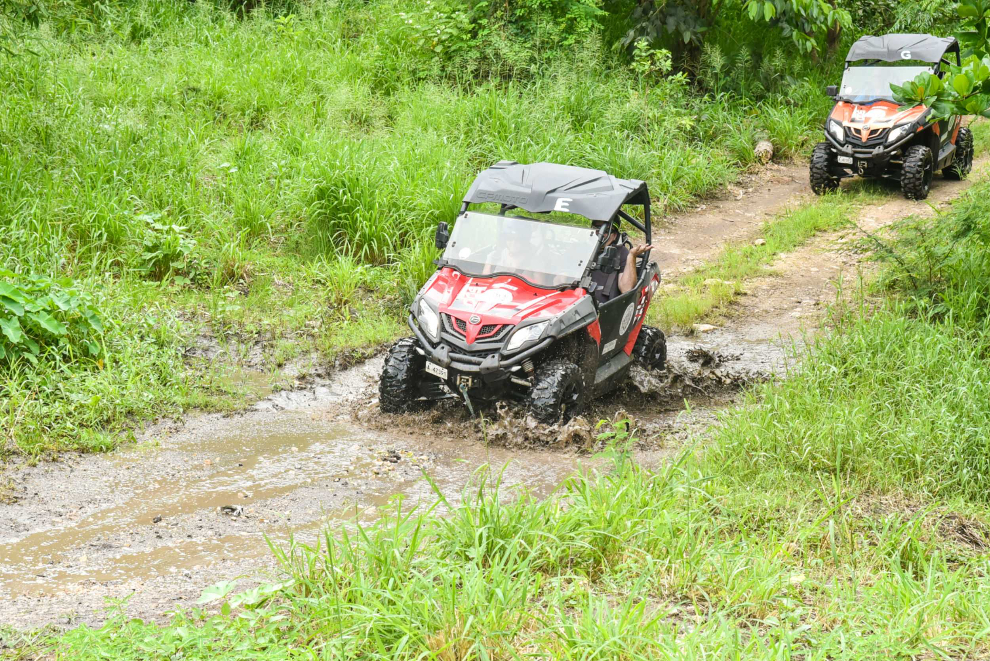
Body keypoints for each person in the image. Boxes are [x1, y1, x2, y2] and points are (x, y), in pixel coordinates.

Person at [589, 217, 653, 303]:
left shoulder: (621, 253)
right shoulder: (583, 249)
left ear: (614, 236)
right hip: (574, 301)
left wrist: (632, 256)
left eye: (606, 231)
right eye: (596, 228)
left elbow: (626, 289)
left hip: (602, 308)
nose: (600, 233)